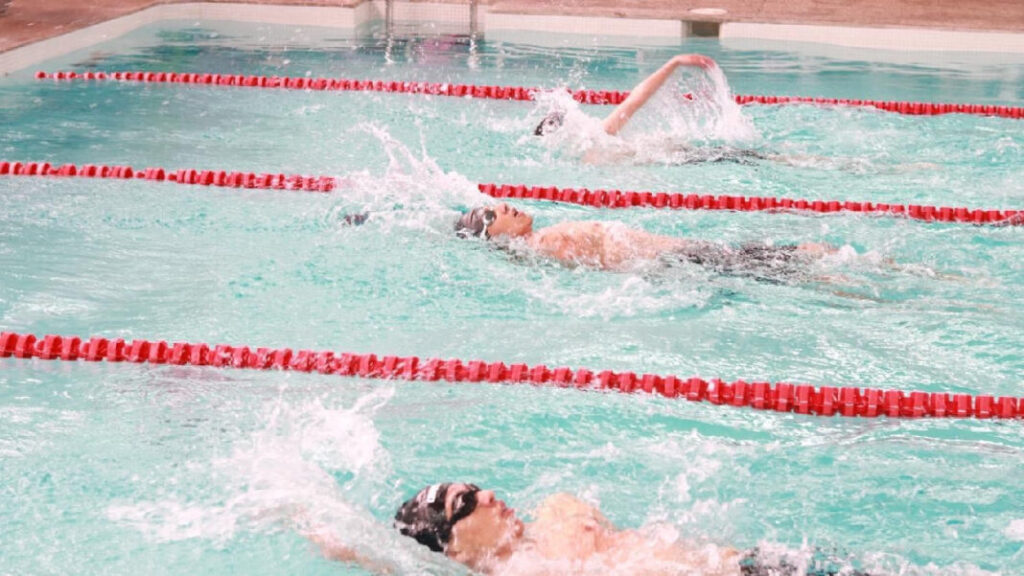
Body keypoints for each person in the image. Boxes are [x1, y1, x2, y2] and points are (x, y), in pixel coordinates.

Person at [307, 482, 874, 575]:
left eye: (477, 488)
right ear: (452, 550)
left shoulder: (559, 508)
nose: (489, 497)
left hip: (769, 561)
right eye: (468, 504)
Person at [454, 202, 834, 283]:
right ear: (493, 237)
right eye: (490, 216)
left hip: (683, 256)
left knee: (804, 258)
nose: (502, 206)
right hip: (682, 261)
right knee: (809, 261)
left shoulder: (538, 241)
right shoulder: (538, 248)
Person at [534, 53, 769, 166]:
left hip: (681, 155)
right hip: (682, 159)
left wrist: (673, 63)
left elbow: (637, 98)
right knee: (755, 157)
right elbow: (636, 99)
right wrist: (673, 63)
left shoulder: (597, 140)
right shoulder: (594, 149)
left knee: (753, 157)